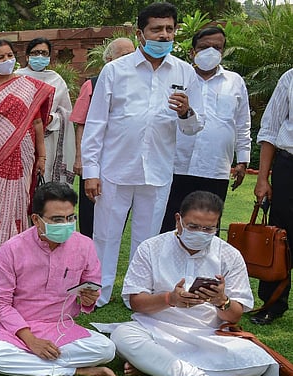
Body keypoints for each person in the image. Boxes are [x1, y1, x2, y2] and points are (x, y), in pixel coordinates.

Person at [81, 2, 204, 306]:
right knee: (106, 236)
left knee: (148, 239)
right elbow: (96, 124)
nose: (164, 36)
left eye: (169, 29)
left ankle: (136, 293)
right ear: (140, 33)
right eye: (156, 29)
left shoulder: (185, 72)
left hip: (158, 171)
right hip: (115, 169)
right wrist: (91, 172)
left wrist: (186, 112)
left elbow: (193, 128)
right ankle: (99, 292)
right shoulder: (114, 71)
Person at [106, 191, 278, 376]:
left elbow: (234, 317)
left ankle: (154, 366)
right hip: (155, 328)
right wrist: (169, 299)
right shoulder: (151, 248)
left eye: (208, 229)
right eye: (193, 226)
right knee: (123, 336)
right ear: (178, 220)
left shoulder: (229, 255)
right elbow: (136, 303)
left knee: (256, 362)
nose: (200, 233)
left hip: (207, 336)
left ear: (217, 226)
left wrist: (221, 300)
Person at [0, 182, 117, 376]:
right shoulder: (11, 250)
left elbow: (89, 292)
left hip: (60, 328)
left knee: (107, 349)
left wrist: (89, 299)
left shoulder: (84, 246)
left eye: (70, 218)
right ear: (36, 219)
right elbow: (0, 304)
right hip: (16, 330)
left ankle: (39, 366)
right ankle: (74, 371)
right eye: (57, 219)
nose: (66, 224)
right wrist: (32, 341)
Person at [0, 39, 53, 269]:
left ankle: (17, 256)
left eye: (9, 56)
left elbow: (36, 124)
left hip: (23, 154)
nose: (6, 61)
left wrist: (41, 157)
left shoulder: (28, 86)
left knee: (19, 202)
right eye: (0, 58)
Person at [159, 27, 251, 233]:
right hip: (177, 166)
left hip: (215, 167)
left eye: (217, 47)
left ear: (223, 51)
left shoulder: (235, 82)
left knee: (208, 227)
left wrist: (243, 160)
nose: (210, 51)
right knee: (170, 225)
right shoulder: (178, 78)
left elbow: (242, 123)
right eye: (204, 47)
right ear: (192, 52)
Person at [70, 37, 135, 238]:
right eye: (124, 56)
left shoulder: (140, 85)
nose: (130, 60)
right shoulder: (92, 84)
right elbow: (81, 123)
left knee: (119, 213)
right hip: (97, 162)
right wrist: (80, 158)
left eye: (133, 55)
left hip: (126, 162)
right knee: (92, 211)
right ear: (108, 59)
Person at [252, 66, 293, 325]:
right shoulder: (290, 78)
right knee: (281, 238)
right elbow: (270, 129)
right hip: (289, 166)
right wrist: (262, 178)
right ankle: (272, 303)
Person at [16, 37, 77, 184]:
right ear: (27, 56)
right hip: (21, 139)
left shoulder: (56, 79)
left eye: (44, 53)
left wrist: (52, 118)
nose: (40, 57)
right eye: (35, 53)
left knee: (45, 179)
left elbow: (67, 113)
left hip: (48, 139)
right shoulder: (17, 77)